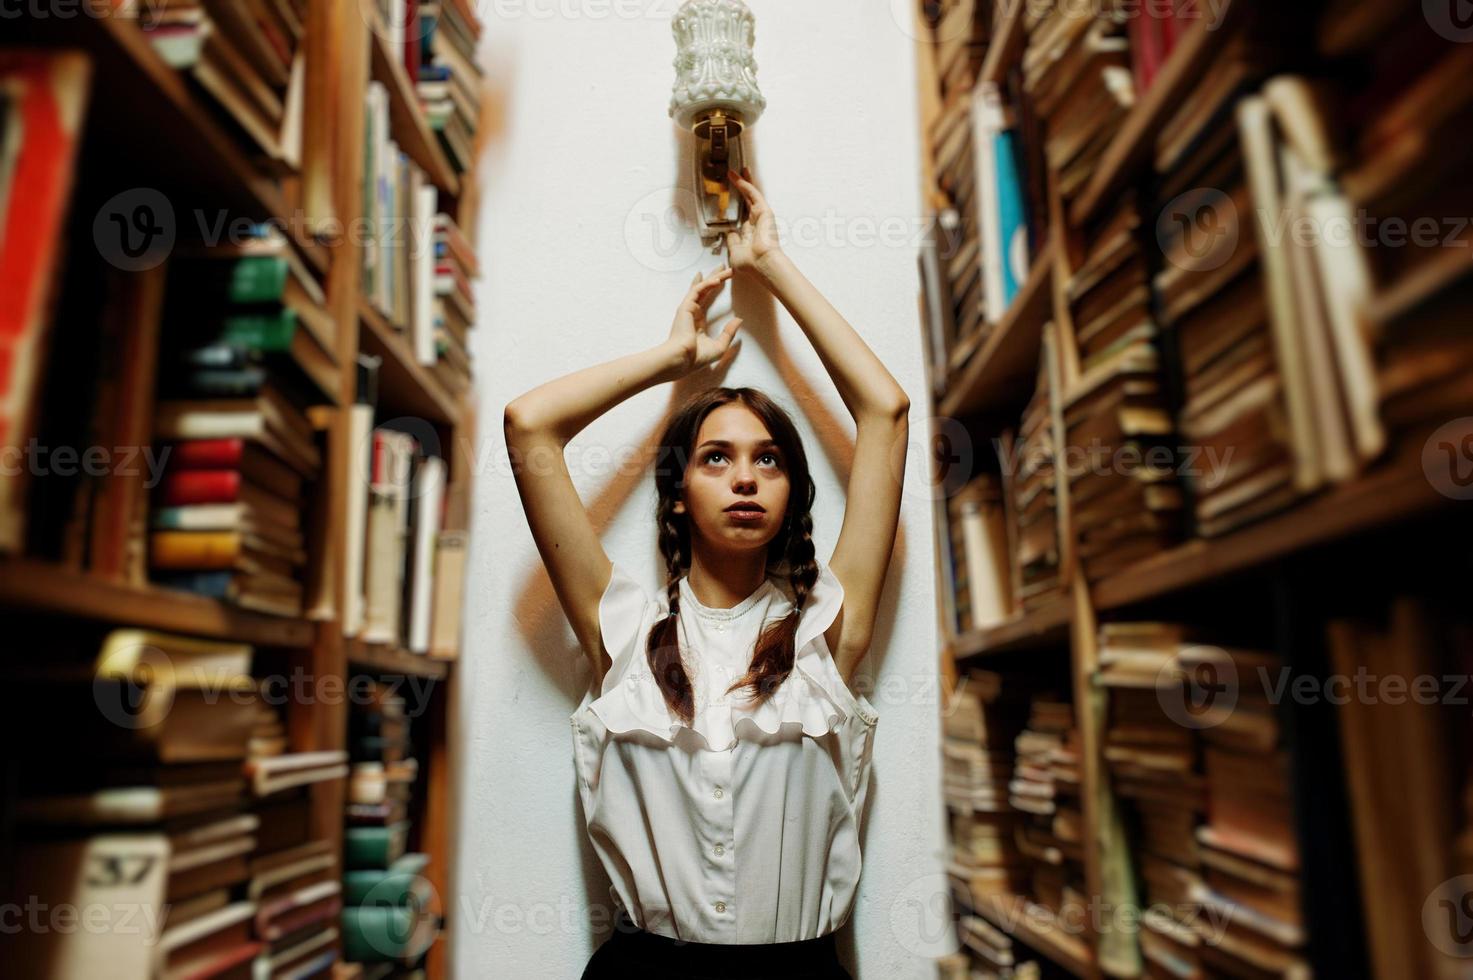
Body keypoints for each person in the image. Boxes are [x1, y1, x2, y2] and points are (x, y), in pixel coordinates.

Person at [505, 168, 909, 978]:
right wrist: (672, 361)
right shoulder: (617, 624)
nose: (745, 478)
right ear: (680, 495)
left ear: (791, 493)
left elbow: (886, 412)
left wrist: (770, 266)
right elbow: (529, 426)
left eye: (768, 460)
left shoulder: (829, 626)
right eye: (715, 458)